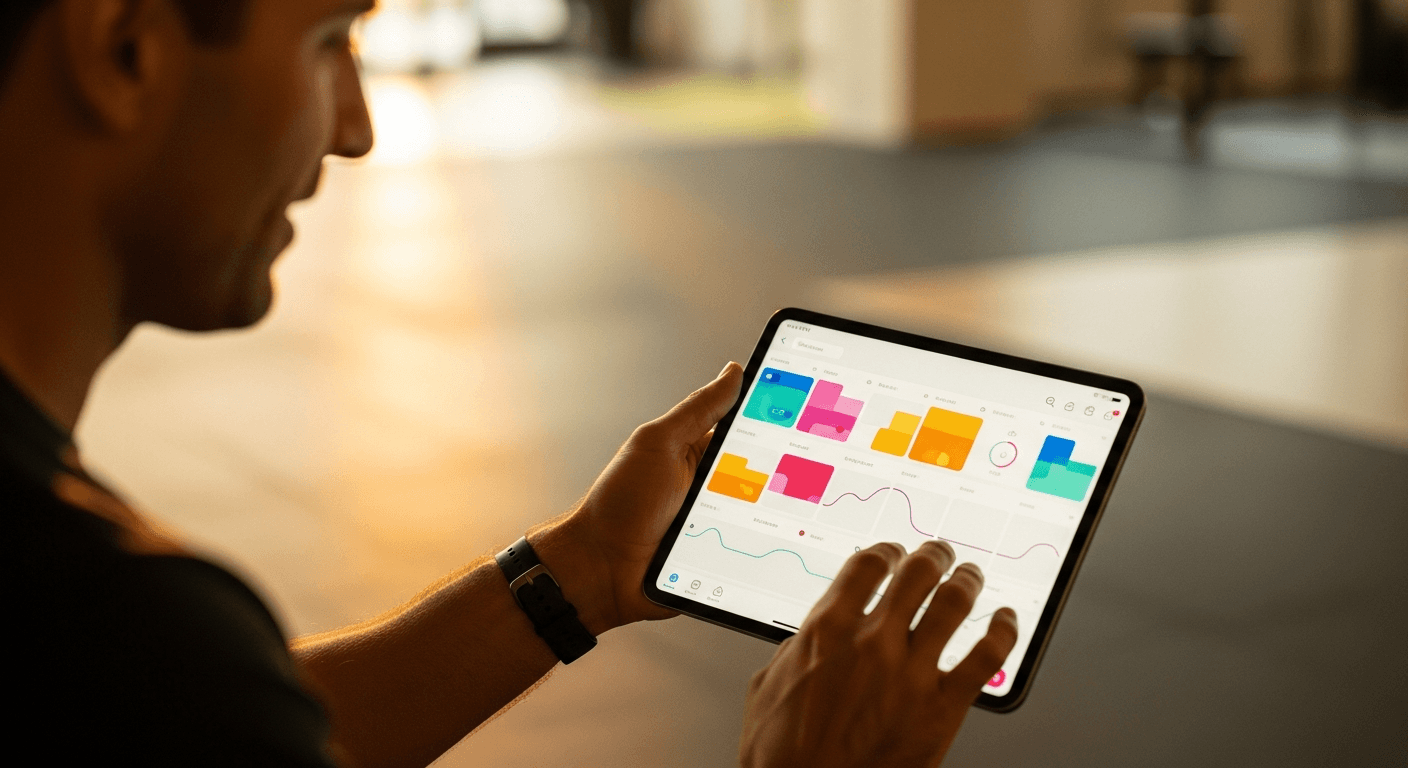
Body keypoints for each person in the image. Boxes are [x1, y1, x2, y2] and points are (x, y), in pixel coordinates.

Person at [0, 1, 1019, 766]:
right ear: (124, 48)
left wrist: (580, 568)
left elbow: (201, 724)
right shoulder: (106, 618)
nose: (355, 128)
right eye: (328, 41)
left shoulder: (123, 662)